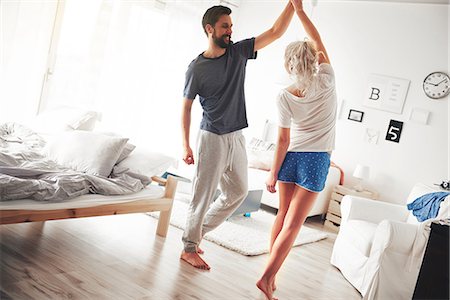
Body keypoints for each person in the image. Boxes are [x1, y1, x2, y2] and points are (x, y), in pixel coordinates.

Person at [181, 3, 295, 270]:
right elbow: (186, 108)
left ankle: (195, 235)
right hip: (211, 137)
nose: (230, 31)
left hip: (236, 136)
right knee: (202, 194)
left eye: (231, 26)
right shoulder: (196, 68)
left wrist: (293, 4)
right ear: (210, 29)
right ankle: (188, 248)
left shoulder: (238, 52)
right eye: (225, 26)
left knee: (237, 191)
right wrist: (185, 144)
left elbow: (276, 31)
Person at [256, 0, 337, 299]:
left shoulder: (284, 96)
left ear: (288, 63)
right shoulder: (327, 80)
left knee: (282, 217)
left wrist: (272, 174)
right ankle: (267, 278)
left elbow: (282, 142)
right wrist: (301, 11)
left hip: (291, 159)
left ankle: (270, 273)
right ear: (315, 61)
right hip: (316, 160)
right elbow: (317, 40)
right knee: (294, 225)